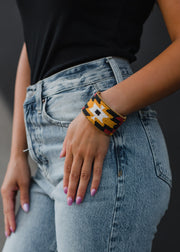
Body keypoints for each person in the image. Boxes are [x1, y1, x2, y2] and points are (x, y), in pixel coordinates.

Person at [1, 0, 179, 251]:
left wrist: (100, 114)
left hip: (105, 146)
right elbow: (39, 42)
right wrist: (17, 156)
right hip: (49, 155)